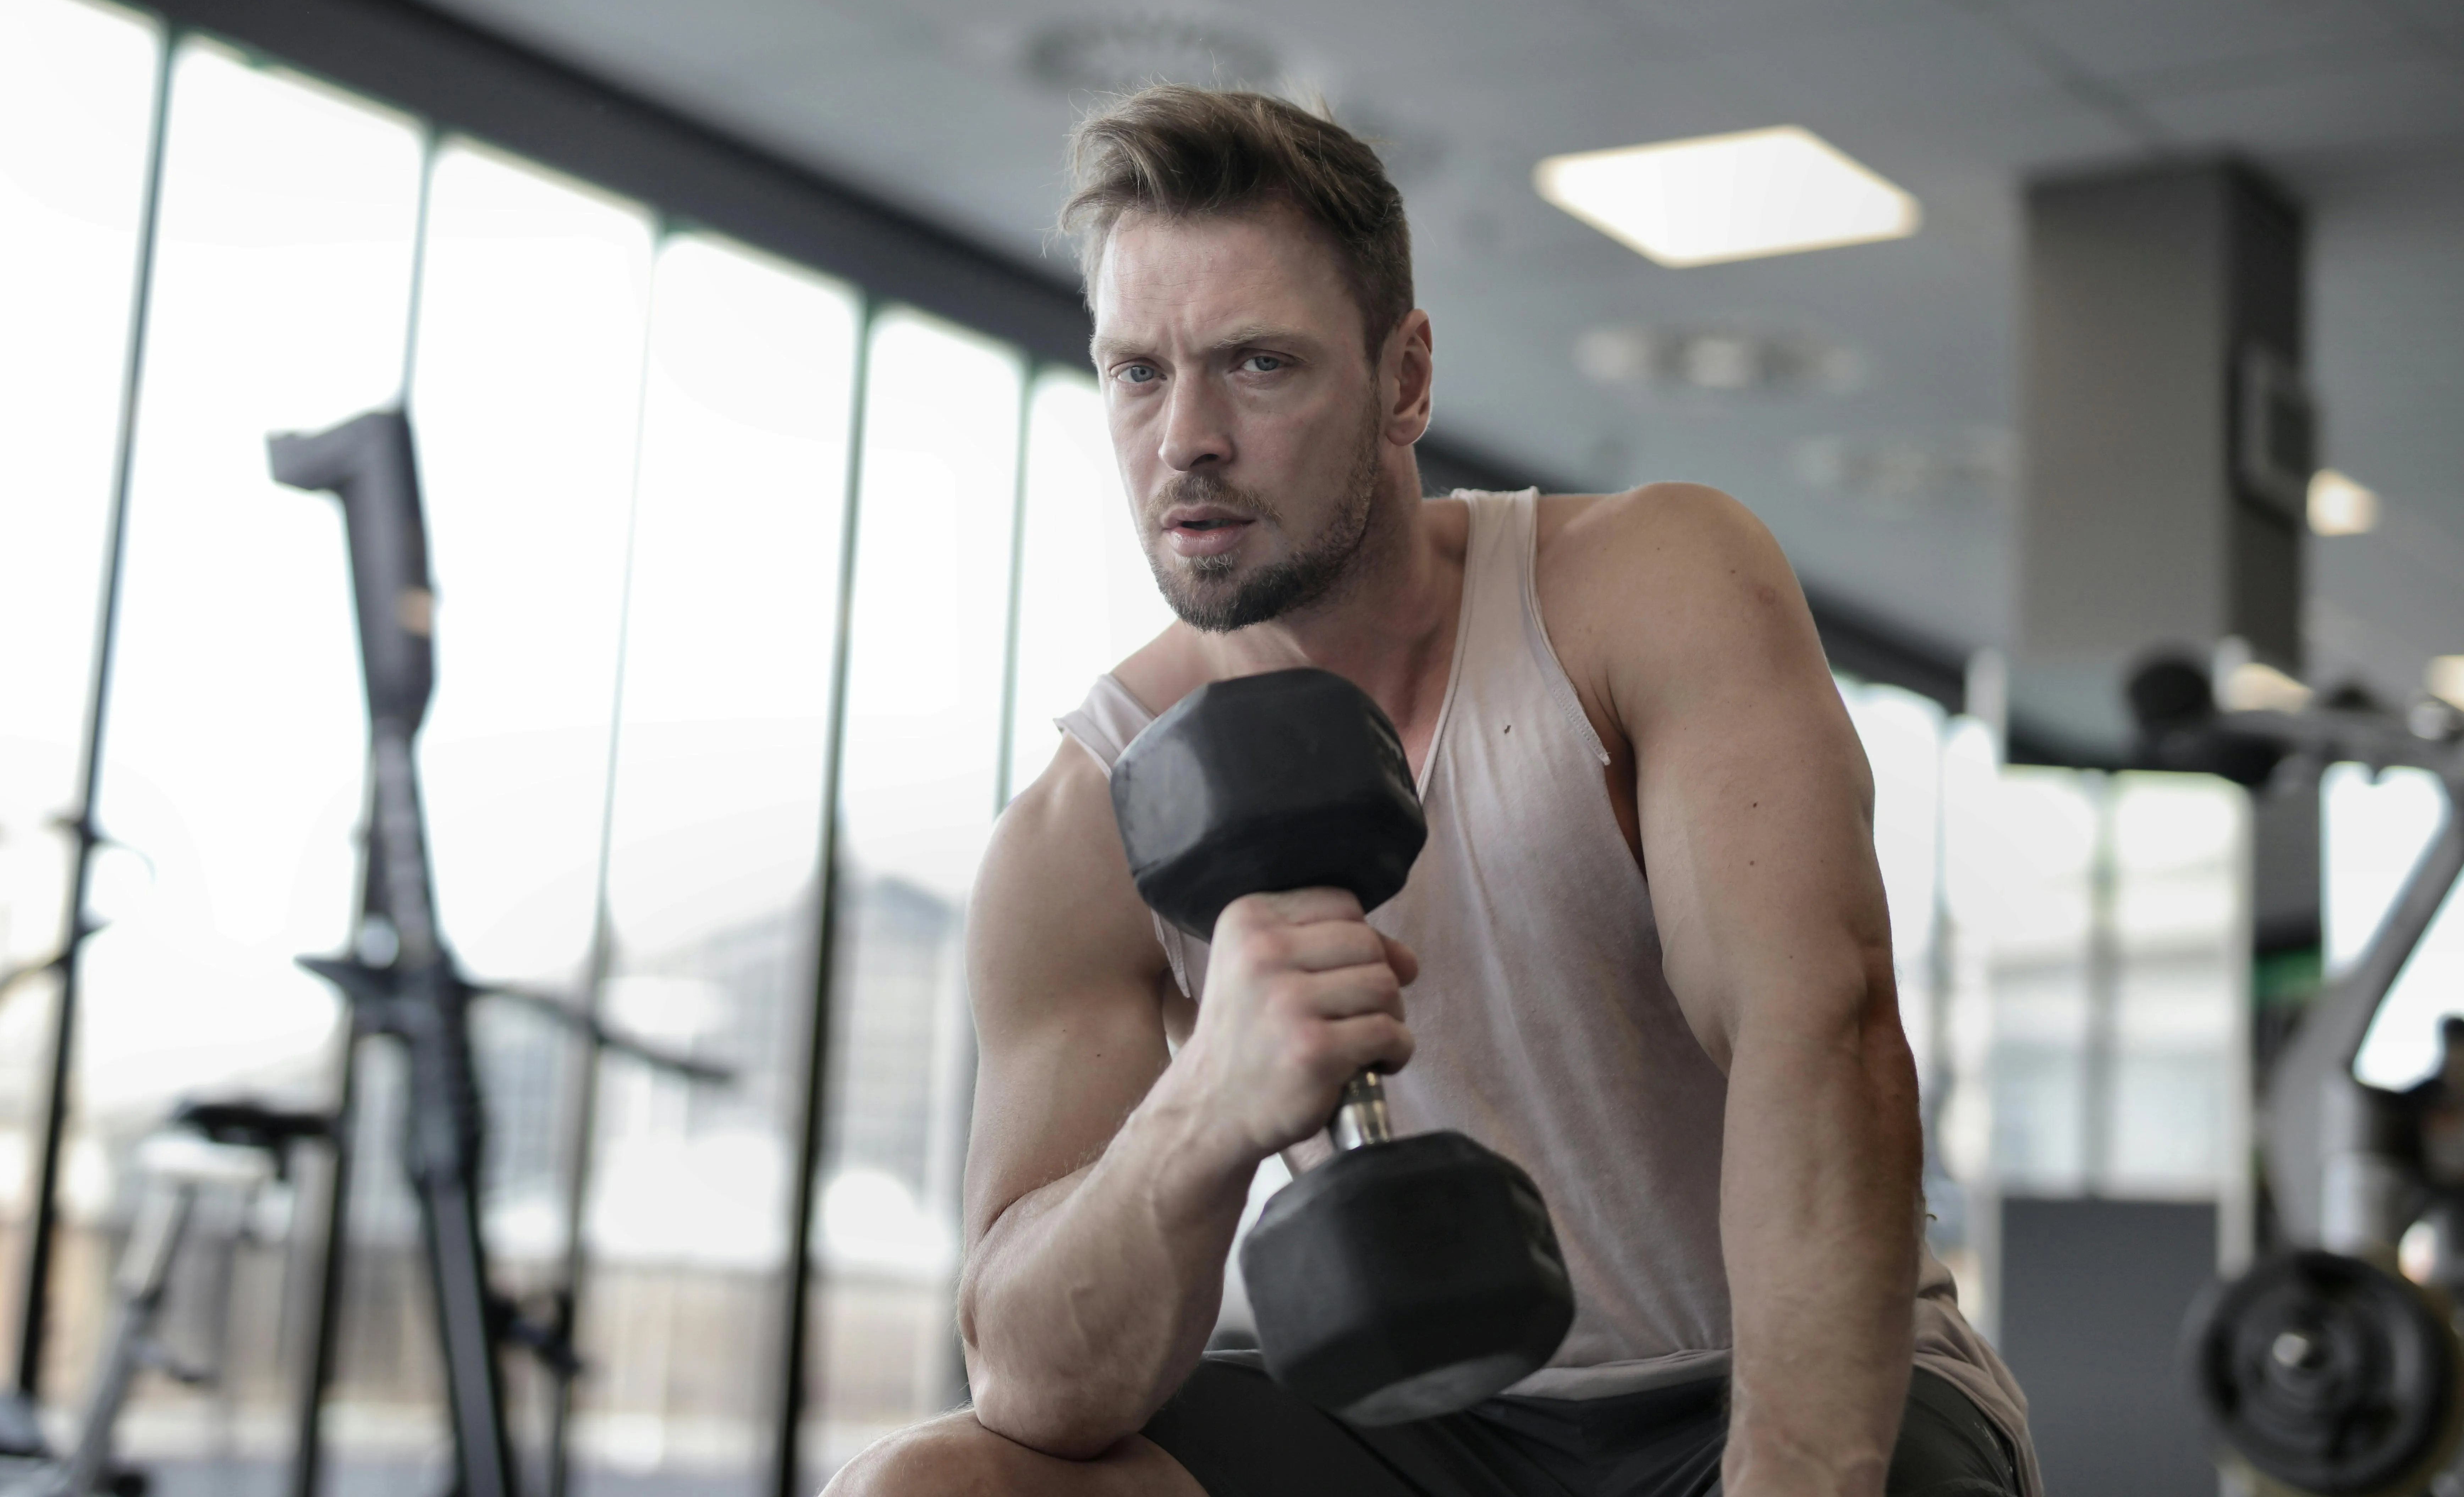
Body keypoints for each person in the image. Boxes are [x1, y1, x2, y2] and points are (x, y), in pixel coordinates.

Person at [830, 88, 2034, 1497]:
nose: (1186, 436)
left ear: (1404, 380)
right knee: (927, 1487)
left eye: (1258, 364)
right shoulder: (1085, 822)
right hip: (1417, 1424)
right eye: (1138, 371)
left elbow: (1819, 1035)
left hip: (1764, 1380)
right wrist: (1203, 1110)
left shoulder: (1647, 591)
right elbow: (1033, 1377)